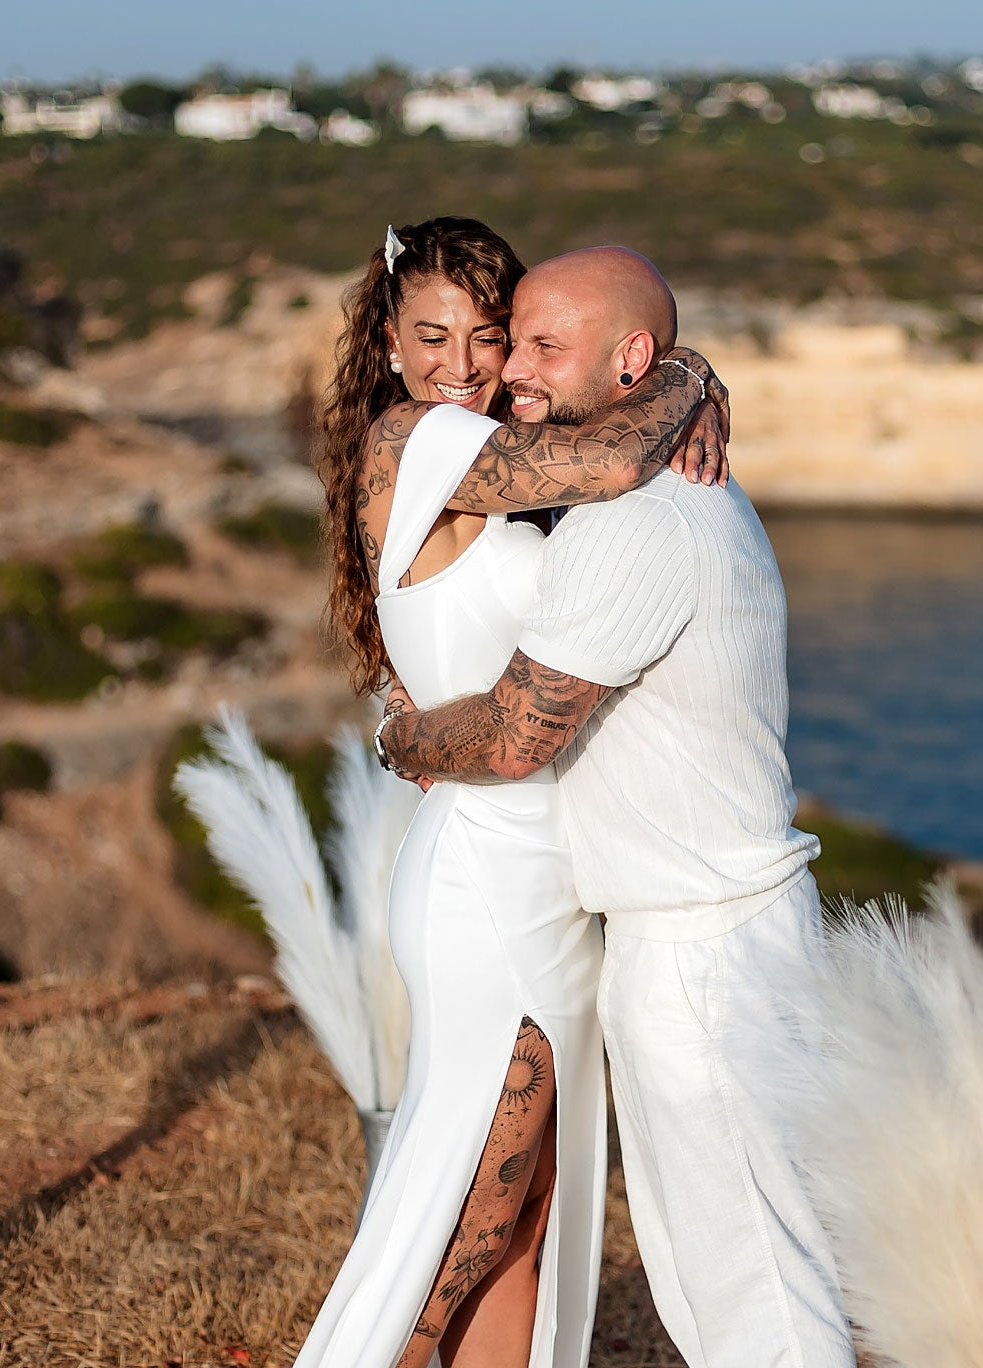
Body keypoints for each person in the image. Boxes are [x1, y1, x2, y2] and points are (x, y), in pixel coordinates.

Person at [379, 247, 857, 1368]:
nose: (511, 370)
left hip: (703, 949)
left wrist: (400, 738)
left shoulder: (639, 518)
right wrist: (689, 379)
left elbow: (514, 735)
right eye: (513, 342)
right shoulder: (632, 489)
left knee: (755, 1288)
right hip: (691, 931)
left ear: (630, 359)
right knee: (717, 1277)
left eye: (543, 347)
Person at [296, 217, 729, 1368]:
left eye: (487, 338)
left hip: (551, 871)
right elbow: (613, 461)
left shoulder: (493, 464)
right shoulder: (417, 438)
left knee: (525, 1213)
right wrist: (685, 372)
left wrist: (671, 391)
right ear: (389, 342)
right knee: (465, 1223)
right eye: (431, 335)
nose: (460, 364)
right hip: (491, 875)